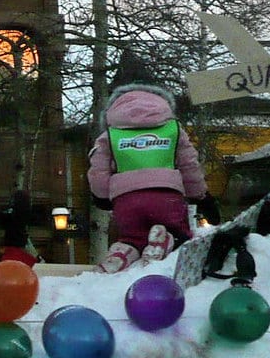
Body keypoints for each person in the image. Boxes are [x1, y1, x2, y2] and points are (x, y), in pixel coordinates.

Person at [87, 62, 210, 273]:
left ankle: (122, 252)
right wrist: (200, 195)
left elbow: (98, 170)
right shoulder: (174, 130)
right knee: (181, 234)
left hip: (126, 201)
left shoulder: (110, 135)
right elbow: (189, 164)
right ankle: (166, 238)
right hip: (167, 197)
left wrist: (102, 196)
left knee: (133, 236)